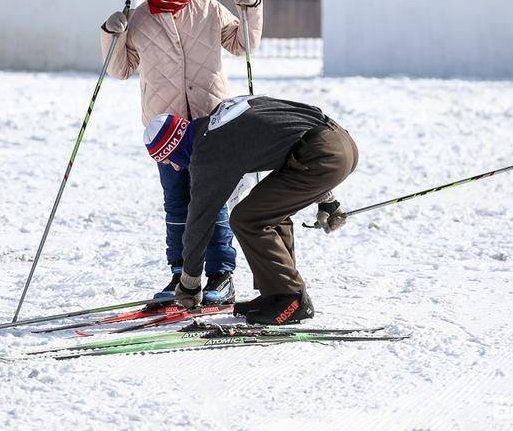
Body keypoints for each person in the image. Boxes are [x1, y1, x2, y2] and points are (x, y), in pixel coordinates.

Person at [100, 0, 263, 305]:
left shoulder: (207, 9)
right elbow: (120, 69)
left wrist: (249, 4)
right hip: (167, 131)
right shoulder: (139, 18)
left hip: (211, 123)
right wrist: (112, 33)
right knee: (177, 202)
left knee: (213, 200)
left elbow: (244, 45)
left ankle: (221, 277)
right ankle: (180, 275)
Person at [142, 95, 358, 325]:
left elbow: (199, 222)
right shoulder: (221, 116)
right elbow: (288, 128)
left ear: (174, 147)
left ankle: (290, 299)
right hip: (337, 140)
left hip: (322, 155)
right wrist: (328, 199)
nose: (174, 167)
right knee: (267, 213)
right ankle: (277, 293)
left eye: (167, 160)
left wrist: (189, 283)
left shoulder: (207, 153)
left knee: (248, 219)